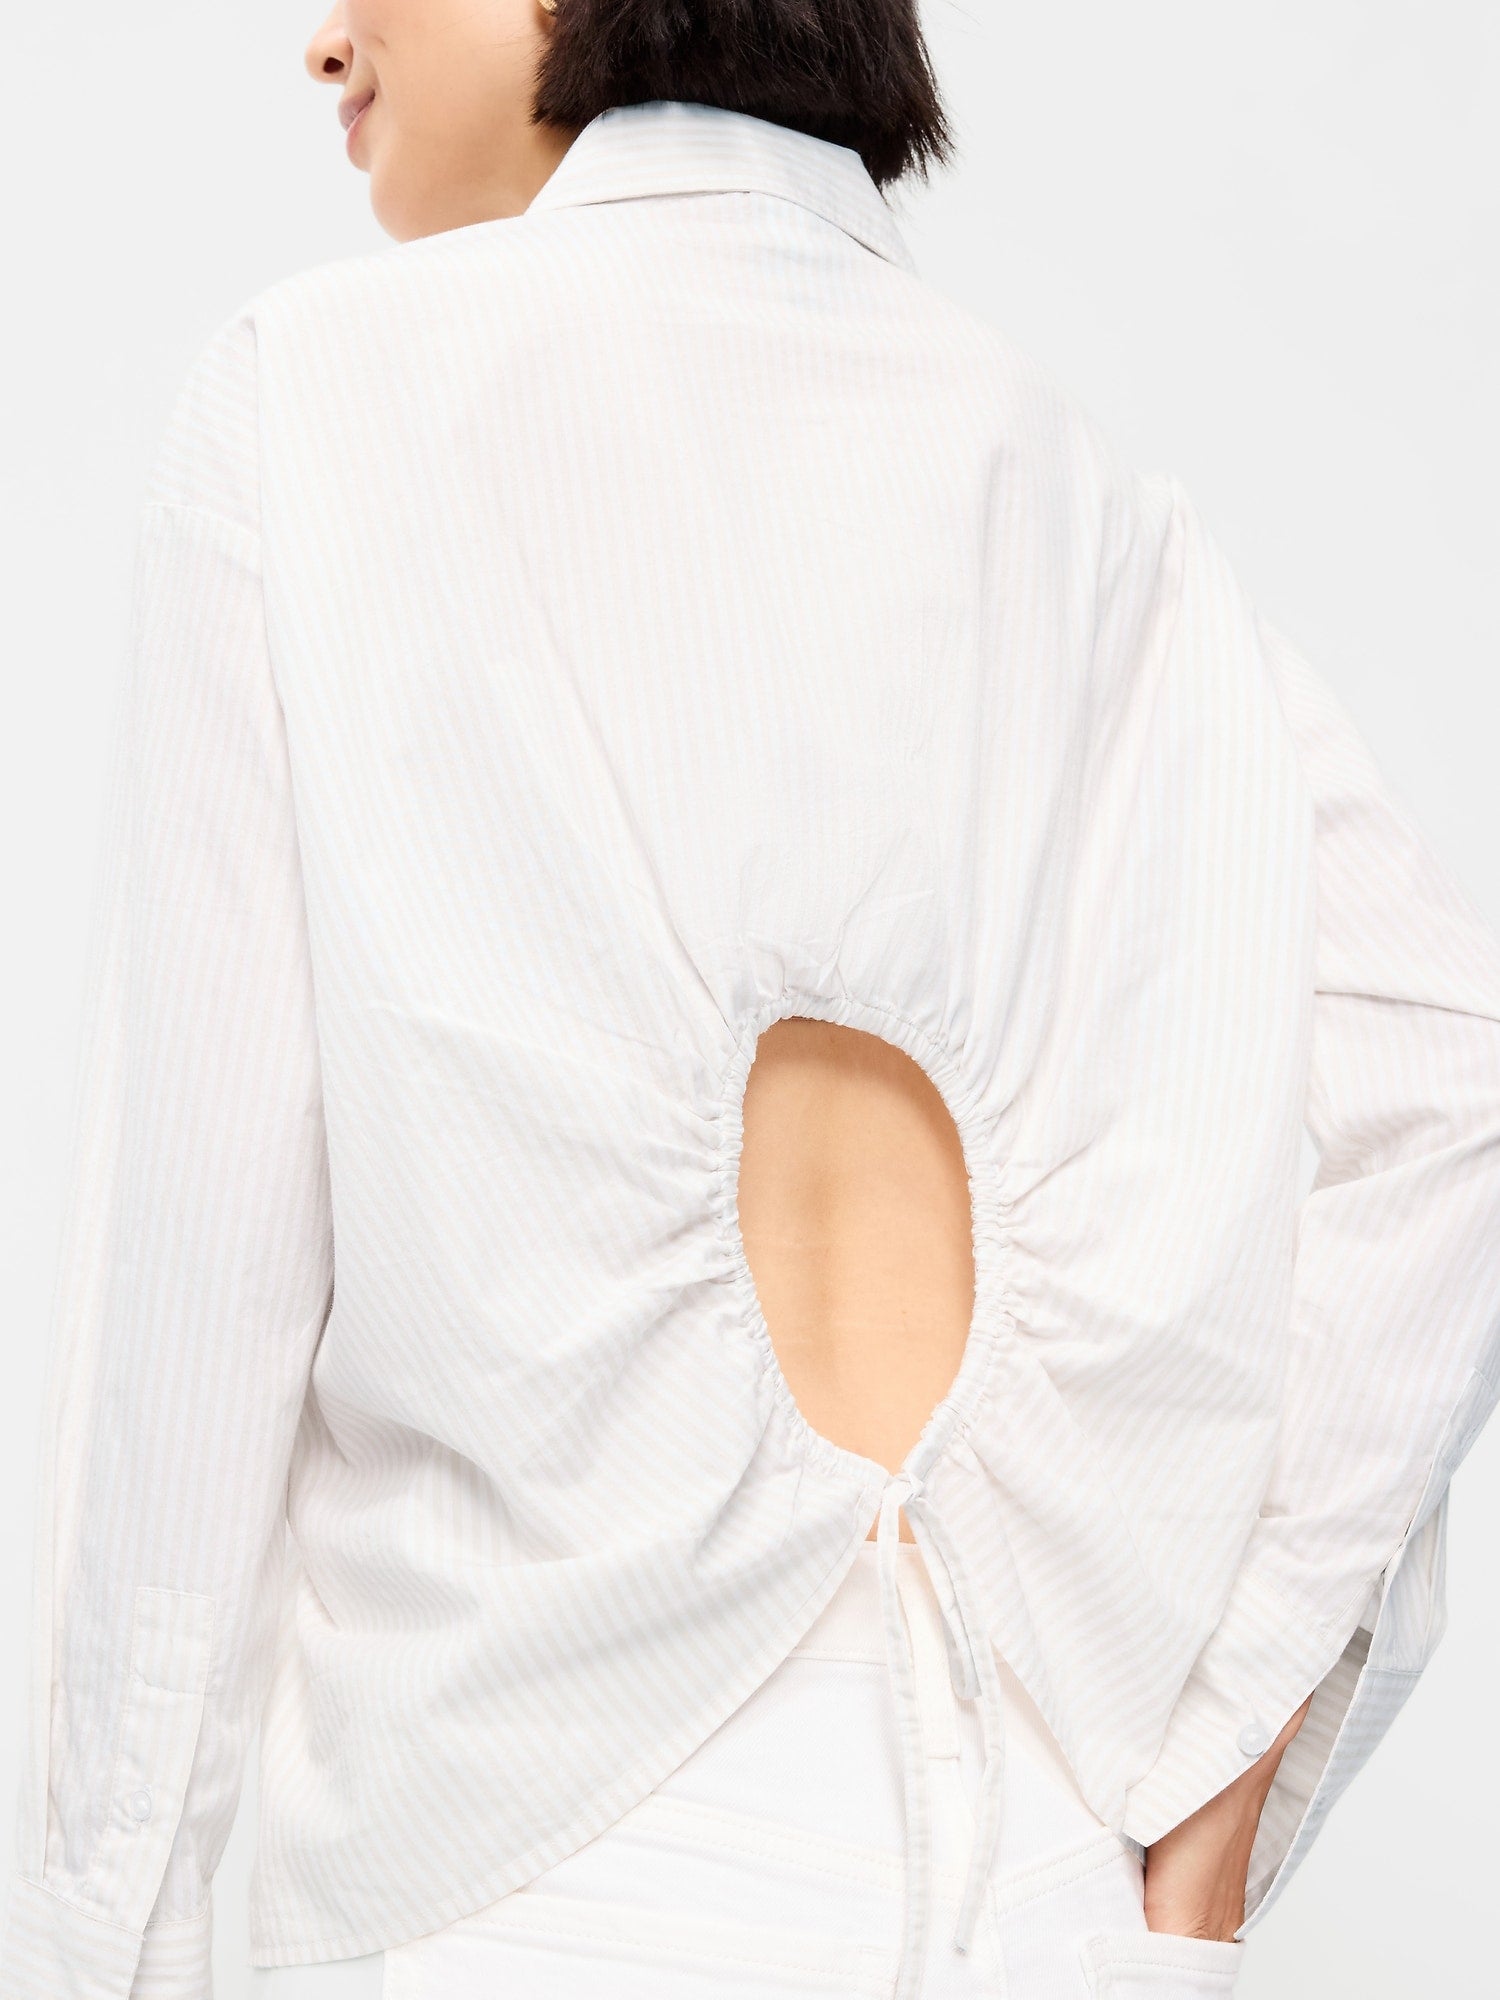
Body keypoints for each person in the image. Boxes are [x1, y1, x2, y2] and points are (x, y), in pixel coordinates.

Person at [2, 4, 1497, 1997]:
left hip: (513, 1905)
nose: (325, 38)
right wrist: (1221, 1773)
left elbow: (195, 1297)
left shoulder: (315, 400)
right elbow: (1452, 1071)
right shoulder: (1080, 497)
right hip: (1040, 1900)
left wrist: (96, 1945)